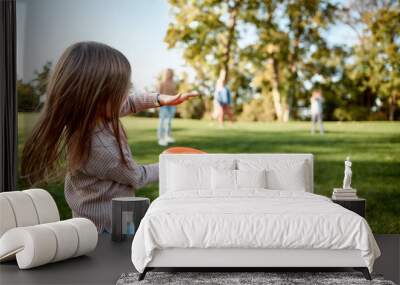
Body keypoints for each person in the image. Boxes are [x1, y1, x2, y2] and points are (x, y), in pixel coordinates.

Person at [21, 42, 198, 233]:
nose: (127, 93)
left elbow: (130, 102)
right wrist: (171, 163)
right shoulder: (99, 148)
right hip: (107, 227)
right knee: (123, 257)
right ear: (100, 96)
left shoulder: (92, 114)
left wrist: (160, 99)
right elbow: (137, 177)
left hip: (105, 217)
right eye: (123, 89)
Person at [157, 68, 177, 146]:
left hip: (171, 105)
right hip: (163, 105)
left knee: (168, 122)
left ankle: (168, 136)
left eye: (170, 73)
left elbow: (174, 94)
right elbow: (157, 95)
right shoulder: (161, 83)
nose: (169, 74)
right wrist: (157, 105)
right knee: (162, 122)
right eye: (167, 73)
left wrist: (175, 104)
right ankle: (161, 138)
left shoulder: (173, 83)